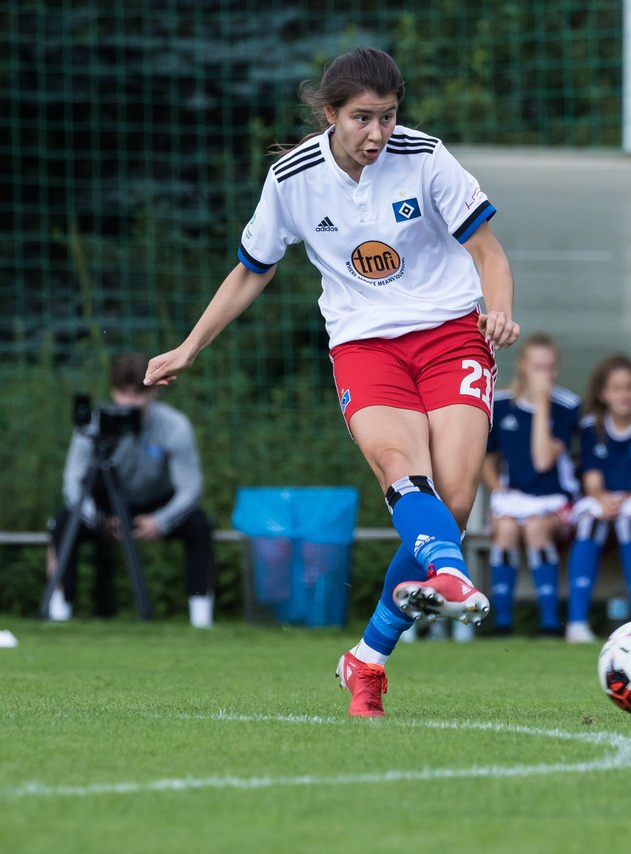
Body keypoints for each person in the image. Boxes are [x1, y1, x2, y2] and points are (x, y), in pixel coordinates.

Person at [141, 48, 519, 717]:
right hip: (365, 344)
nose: (378, 133)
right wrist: (190, 346)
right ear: (330, 113)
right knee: (405, 472)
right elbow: (252, 269)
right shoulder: (293, 179)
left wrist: (500, 311)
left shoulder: (425, 157)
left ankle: (366, 658)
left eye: (389, 116)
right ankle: (450, 578)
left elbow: (487, 251)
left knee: (452, 505)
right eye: (362, 119)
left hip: (451, 334)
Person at [47, 353, 215, 626]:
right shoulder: (92, 425)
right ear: (113, 392)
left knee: (199, 525)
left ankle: (201, 617)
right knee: (64, 522)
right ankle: (59, 611)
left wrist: (160, 521)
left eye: (139, 393)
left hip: (155, 506)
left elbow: (190, 489)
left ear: (153, 393)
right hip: (107, 511)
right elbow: (72, 484)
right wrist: (98, 520)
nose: (132, 402)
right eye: (125, 393)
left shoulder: (175, 427)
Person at [564, 353, 631, 642]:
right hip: (606, 500)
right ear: (603, 393)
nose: (624, 394)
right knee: (589, 520)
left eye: (630, 387)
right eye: (617, 388)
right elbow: (591, 482)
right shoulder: (591, 427)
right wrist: (603, 499)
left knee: (630, 520)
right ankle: (576, 624)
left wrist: (620, 502)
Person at [482, 334, 581, 637]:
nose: (545, 375)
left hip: (556, 500)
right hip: (515, 498)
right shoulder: (499, 403)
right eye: (538, 367)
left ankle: (550, 623)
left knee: (537, 528)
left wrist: (541, 407)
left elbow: (542, 461)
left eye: (551, 368)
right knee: (506, 528)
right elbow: (486, 459)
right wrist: (499, 492)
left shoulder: (566, 406)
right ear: (523, 366)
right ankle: (502, 622)